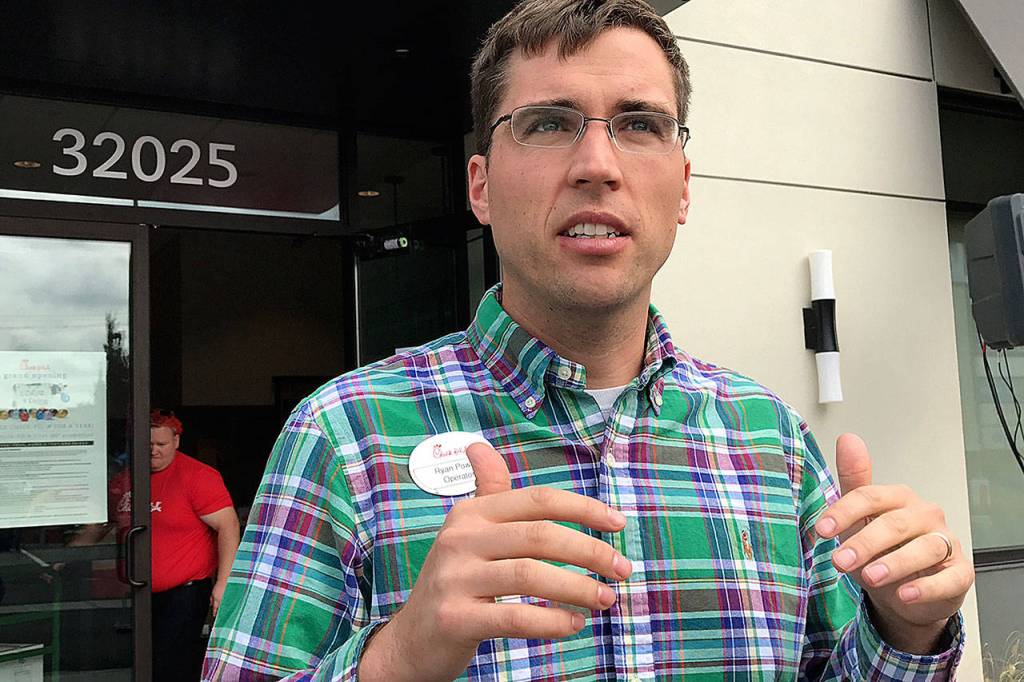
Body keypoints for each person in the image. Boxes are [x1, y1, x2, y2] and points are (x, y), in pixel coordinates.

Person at [203, 1, 975, 679]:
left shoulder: (770, 440)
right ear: (480, 185)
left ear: (682, 187)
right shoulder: (342, 437)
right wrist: (397, 661)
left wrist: (906, 628)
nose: (598, 165)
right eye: (548, 123)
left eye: (639, 124)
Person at [150, 409, 239, 682]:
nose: (153, 451)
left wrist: (223, 584)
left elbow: (229, 525)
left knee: (172, 666)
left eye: (161, 444)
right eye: (147, 444)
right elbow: (102, 525)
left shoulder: (197, 476)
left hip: (184, 593)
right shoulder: (129, 477)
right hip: (139, 595)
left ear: (176, 441)